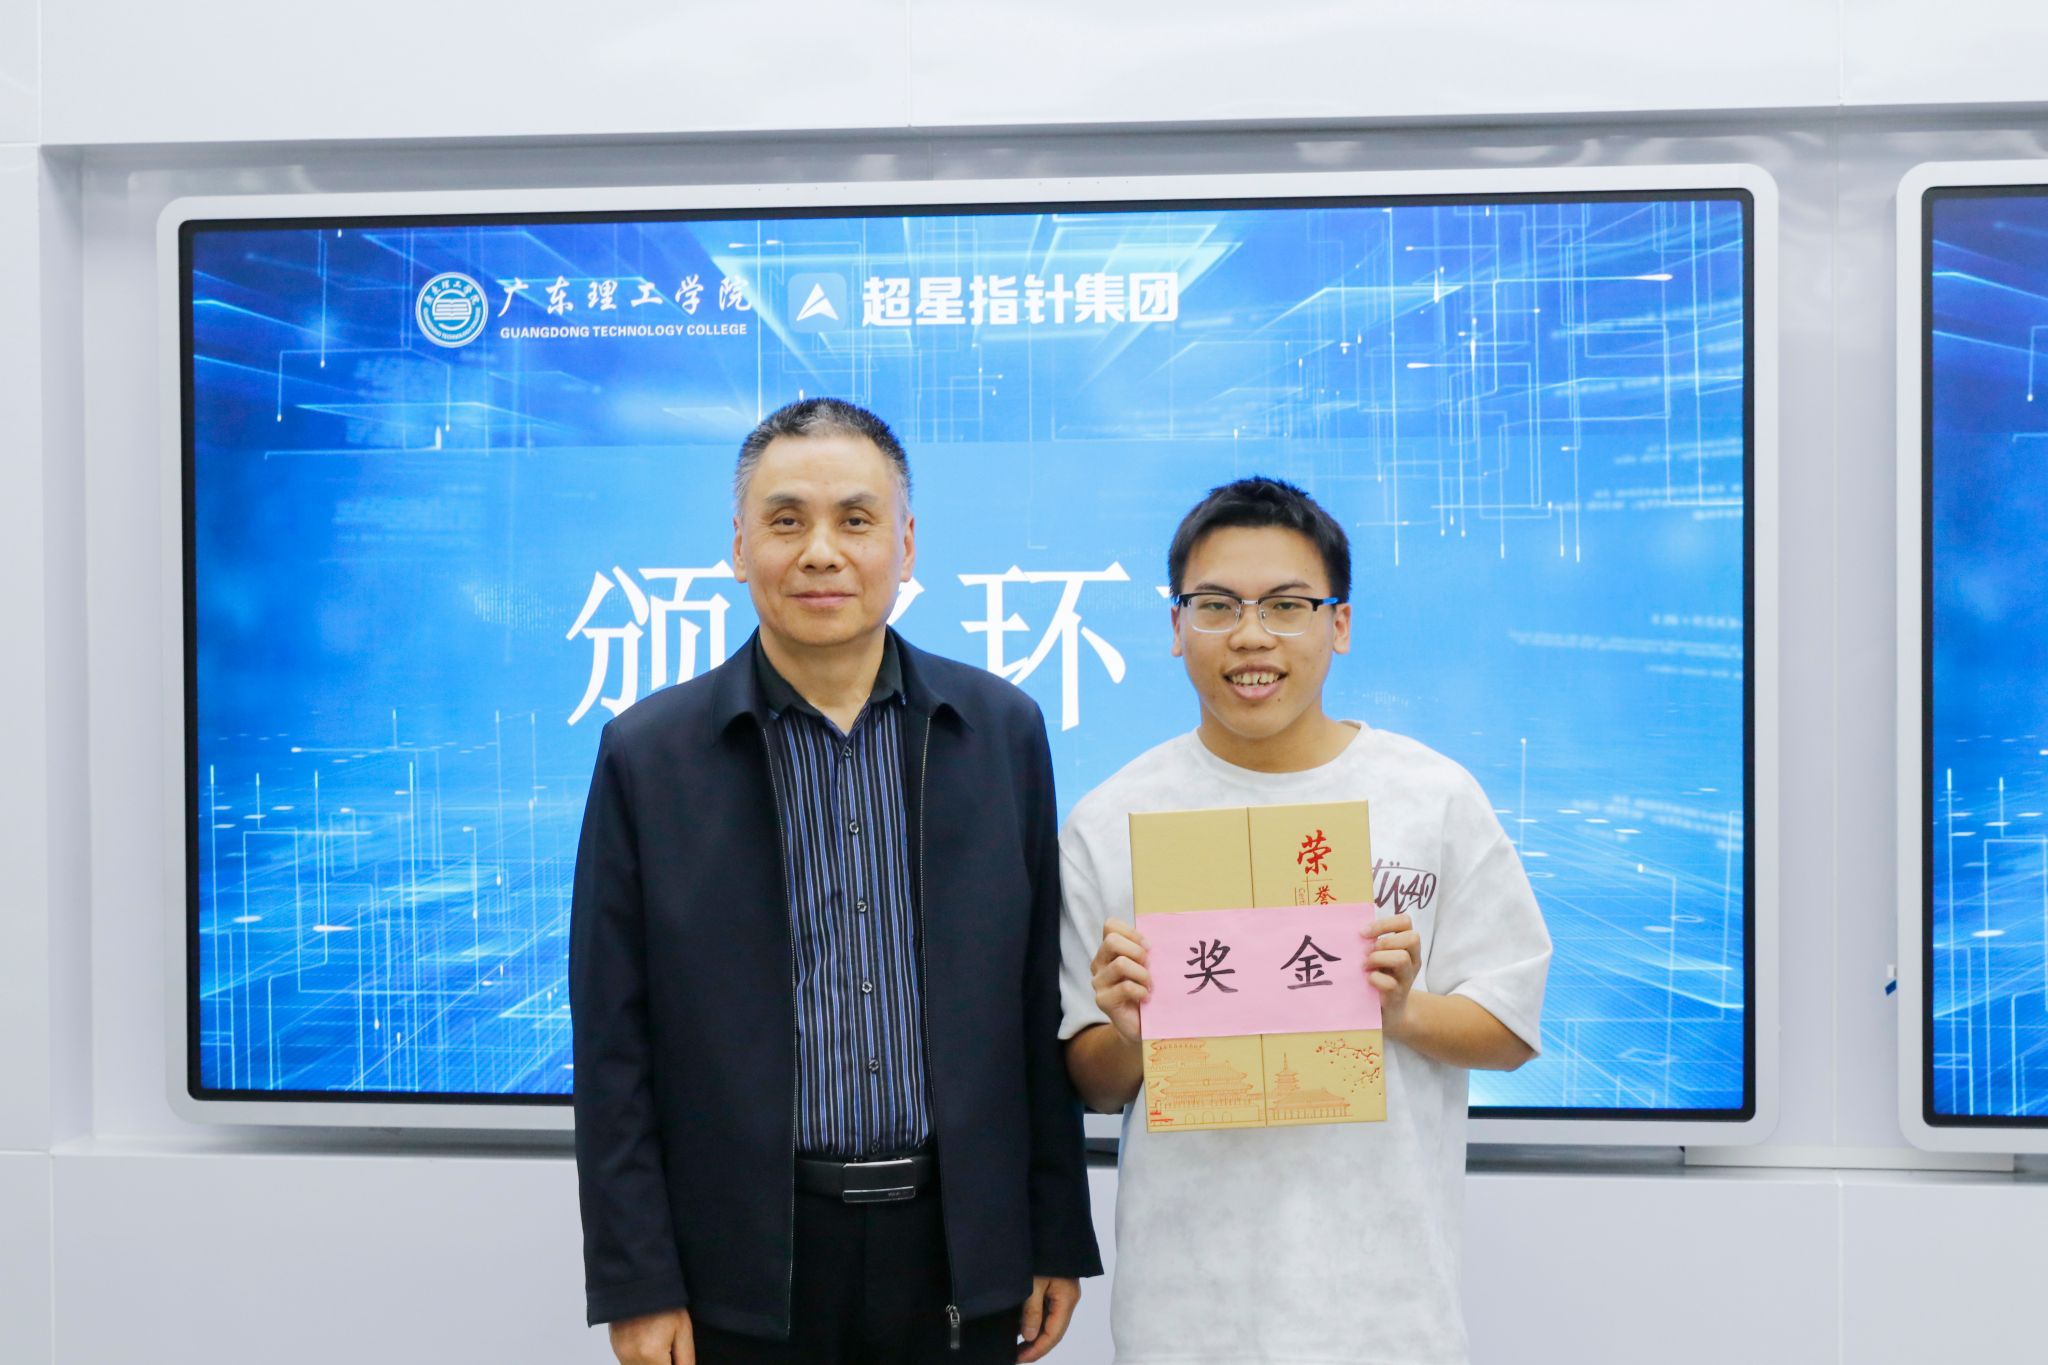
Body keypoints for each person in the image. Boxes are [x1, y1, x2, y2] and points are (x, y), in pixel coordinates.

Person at [571, 397, 1100, 1365]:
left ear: (906, 545)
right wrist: (637, 1278)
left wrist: (1052, 1230)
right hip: (743, 1262)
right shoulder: (649, 756)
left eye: (855, 520)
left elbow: (1036, 1003)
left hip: (957, 1248)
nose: (821, 552)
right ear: (739, 546)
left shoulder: (998, 732)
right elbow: (613, 1043)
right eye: (786, 521)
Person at [1059, 476, 1551, 1364]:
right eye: (1216, 605)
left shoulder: (1432, 797)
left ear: (1340, 624)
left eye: (1287, 605)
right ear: (1176, 626)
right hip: (1186, 1311)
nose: (1251, 635)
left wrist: (1401, 1009)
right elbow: (1092, 1078)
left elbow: (1512, 1027)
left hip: (1388, 1311)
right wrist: (1136, 1033)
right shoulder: (1111, 817)